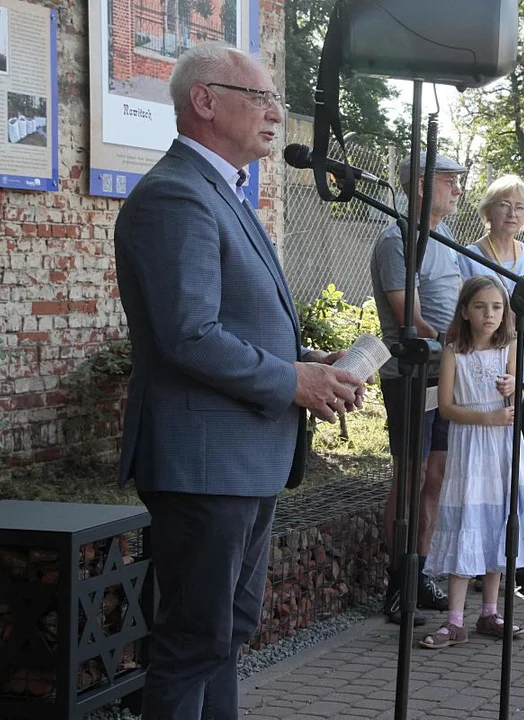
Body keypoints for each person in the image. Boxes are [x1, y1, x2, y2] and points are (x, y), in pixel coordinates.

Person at [113, 44, 365, 720]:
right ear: (205, 102)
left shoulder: (219, 192)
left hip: (240, 461)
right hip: (204, 464)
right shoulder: (175, 195)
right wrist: (291, 381)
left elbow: (236, 323)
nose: (277, 115)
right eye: (261, 99)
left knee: (224, 635)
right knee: (192, 642)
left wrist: (312, 361)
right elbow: (187, 336)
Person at [419, 276, 524, 648]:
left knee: (497, 520)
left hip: (503, 445)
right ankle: (455, 620)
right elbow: (446, 407)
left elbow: (514, 401)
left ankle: (490, 611)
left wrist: (511, 392)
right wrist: (487, 418)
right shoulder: (453, 351)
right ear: (464, 311)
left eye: (496, 307)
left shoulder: (507, 346)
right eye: (479, 306)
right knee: (466, 521)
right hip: (470, 444)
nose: (489, 314)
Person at [370, 151, 464, 624]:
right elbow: (412, 319)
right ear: (424, 186)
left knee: (435, 479)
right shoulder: (397, 239)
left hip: (445, 373)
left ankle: (421, 574)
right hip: (411, 376)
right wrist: (456, 340)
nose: (459, 190)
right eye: (451, 180)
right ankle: (398, 583)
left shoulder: (446, 236)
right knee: (411, 478)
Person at [457, 175, 524, 599]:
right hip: (485, 373)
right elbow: (471, 312)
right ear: (487, 211)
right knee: (485, 476)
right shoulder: (470, 256)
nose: (512, 214)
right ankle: (483, 564)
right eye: (504, 205)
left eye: (520, 208)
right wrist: (516, 322)